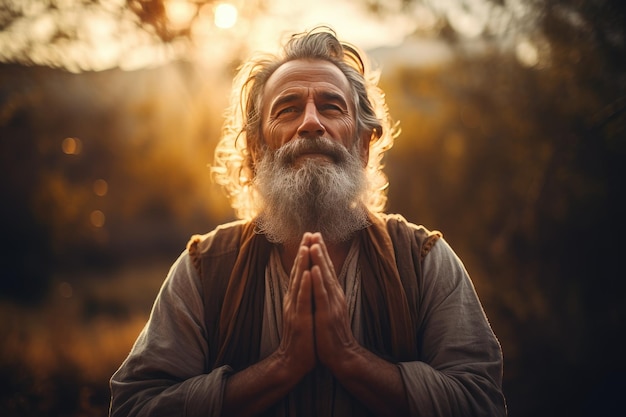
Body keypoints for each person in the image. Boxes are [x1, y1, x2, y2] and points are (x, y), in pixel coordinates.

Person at [109, 26, 507, 417]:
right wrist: (283, 365)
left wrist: (349, 358)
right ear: (256, 149)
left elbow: (480, 401)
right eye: (288, 108)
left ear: (363, 145)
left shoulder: (423, 261)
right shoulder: (204, 269)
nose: (311, 122)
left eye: (332, 106)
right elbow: (134, 405)